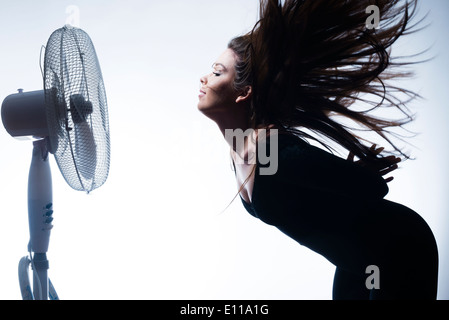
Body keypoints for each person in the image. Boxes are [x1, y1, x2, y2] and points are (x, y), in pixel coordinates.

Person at [198, 0, 438, 300]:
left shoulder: (271, 150)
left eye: (218, 72)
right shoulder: (238, 152)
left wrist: (353, 174)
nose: (204, 78)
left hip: (397, 250)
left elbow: (373, 188)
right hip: (355, 263)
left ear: (244, 92)